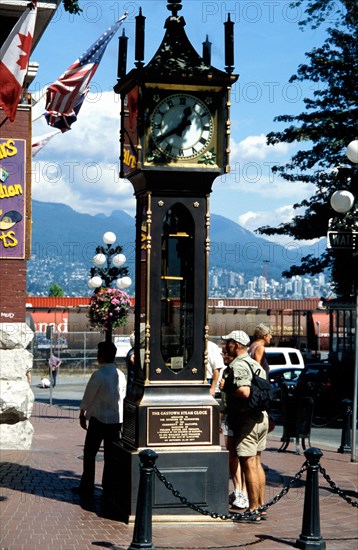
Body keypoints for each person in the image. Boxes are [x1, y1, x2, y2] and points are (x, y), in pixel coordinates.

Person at [220, 330, 269, 523]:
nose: (226, 346)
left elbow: (244, 392)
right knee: (256, 462)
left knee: (248, 464)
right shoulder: (255, 364)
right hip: (260, 417)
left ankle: (253, 509)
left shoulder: (239, 365)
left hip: (247, 419)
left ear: (238, 345)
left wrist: (227, 387)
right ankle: (261, 506)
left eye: (229, 342)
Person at [73, 341, 126, 499]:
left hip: (98, 418)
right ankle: (108, 485)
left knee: (90, 453)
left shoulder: (99, 374)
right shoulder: (120, 374)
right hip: (115, 420)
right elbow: (122, 397)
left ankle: (87, 485)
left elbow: (88, 396)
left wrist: (82, 414)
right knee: (110, 455)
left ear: (101, 356)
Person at [219, 340, 248, 510]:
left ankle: (243, 492)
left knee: (243, 455)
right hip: (230, 418)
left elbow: (243, 392)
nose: (224, 356)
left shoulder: (240, 369)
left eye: (226, 353)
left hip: (241, 417)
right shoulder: (226, 371)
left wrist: (227, 387)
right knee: (232, 454)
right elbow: (224, 401)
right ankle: (238, 490)